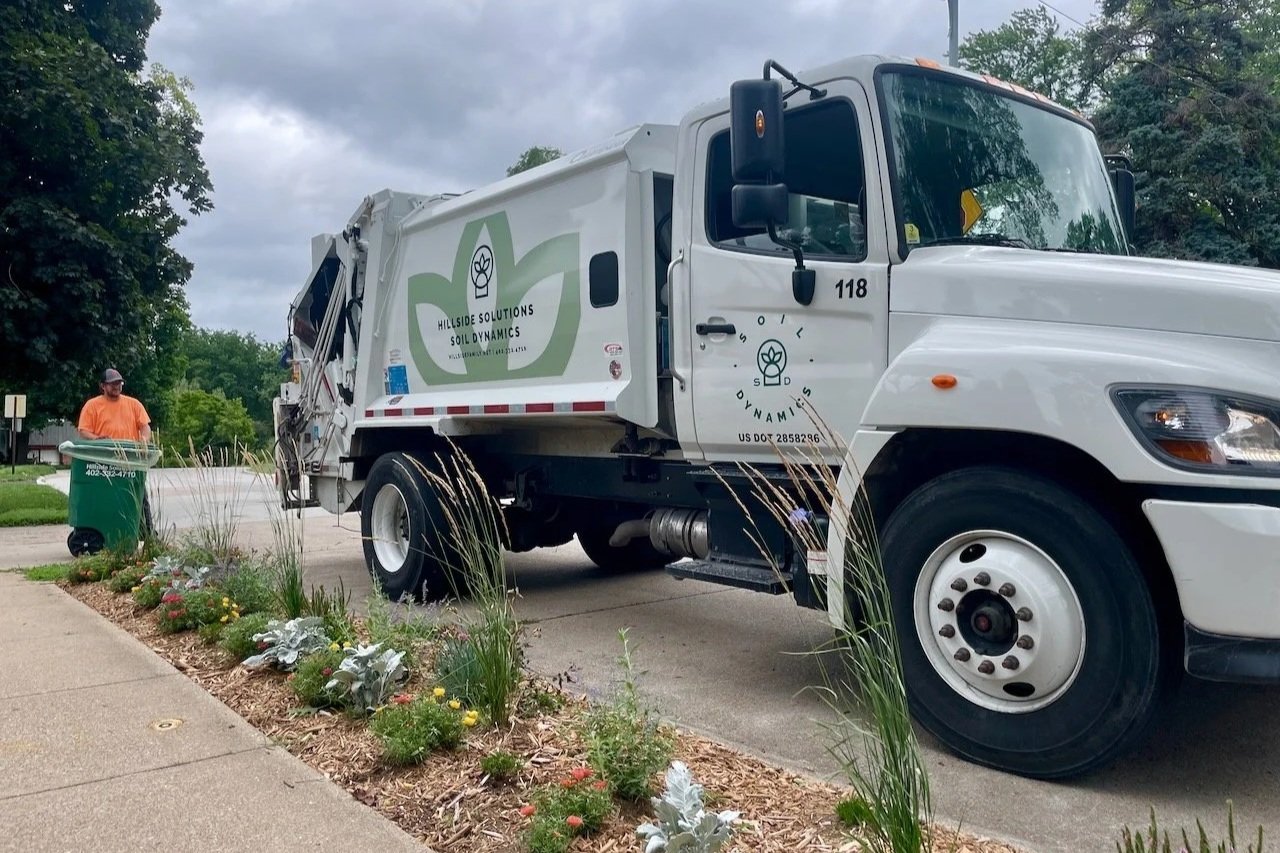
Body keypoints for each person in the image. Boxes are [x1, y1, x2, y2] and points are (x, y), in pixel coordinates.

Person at [78, 368, 152, 442]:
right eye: (113, 384)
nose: (116, 386)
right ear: (103, 386)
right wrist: (97, 439)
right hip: (102, 450)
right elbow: (84, 431)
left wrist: (144, 439)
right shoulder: (91, 405)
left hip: (129, 450)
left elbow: (145, 427)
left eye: (119, 383)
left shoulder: (135, 404)